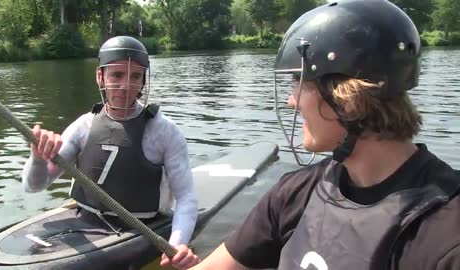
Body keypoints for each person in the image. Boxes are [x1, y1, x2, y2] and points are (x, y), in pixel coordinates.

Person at [189, 0, 460, 269]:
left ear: (348, 98)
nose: (290, 101)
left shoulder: (445, 233)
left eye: (299, 82)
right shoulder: (296, 193)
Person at [22, 36, 199, 270]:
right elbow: (34, 186)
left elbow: (186, 197)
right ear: (100, 76)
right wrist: (37, 157)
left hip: (141, 226)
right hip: (84, 220)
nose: (126, 85)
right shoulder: (83, 126)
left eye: (135, 76)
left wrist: (177, 245)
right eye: (116, 75)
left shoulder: (164, 131)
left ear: (143, 80)